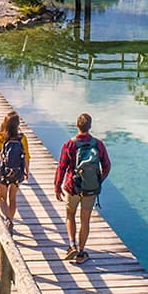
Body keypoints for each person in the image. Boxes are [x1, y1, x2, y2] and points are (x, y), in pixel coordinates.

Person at [54, 112, 111, 262]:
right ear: (90, 126)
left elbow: (61, 167)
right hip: (90, 189)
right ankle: (80, 253)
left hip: (72, 187)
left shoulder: (69, 144)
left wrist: (57, 186)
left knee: (70, 215)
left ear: (76, 125)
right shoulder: (98, 144)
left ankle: (72, 245)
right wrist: (98, 180)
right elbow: (107, 166)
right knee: (85, 220)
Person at [0, 110, 31, 231]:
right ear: (17, 125)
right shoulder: (22, 138)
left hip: (3, 171)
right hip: (17, 172)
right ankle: (10, 221)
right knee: (13, 198)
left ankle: (7, 220)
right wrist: (26, 171)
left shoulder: (1, 137)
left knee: (2, 198)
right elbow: (27, 156)